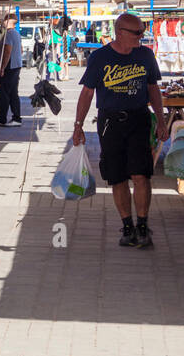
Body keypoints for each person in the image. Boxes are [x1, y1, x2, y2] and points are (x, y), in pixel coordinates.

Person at [72, 12, 170, 248]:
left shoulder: (145, 55)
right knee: (117, 177)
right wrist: (78, 126)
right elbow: (87, 93)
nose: (141, 37)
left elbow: (153, 88)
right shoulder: (100, 57)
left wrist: (161, 120)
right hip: (110, 122)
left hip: (138, 119)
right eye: (137, 33)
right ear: (120, 33)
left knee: (141, 174)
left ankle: (143, 225)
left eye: (142, 32)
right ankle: (127, 226)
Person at [0, 14, 24, 127]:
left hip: (10, 66)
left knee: (4, 93)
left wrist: (2, 67)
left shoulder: (8, 34)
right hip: (16, 65)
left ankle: (2, 118)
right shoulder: (16, 34)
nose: (3, 22)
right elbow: (21, 50)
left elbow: (7, 51)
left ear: (8, 21)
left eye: (4, 20)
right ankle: (16, 118)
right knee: (13, 93)